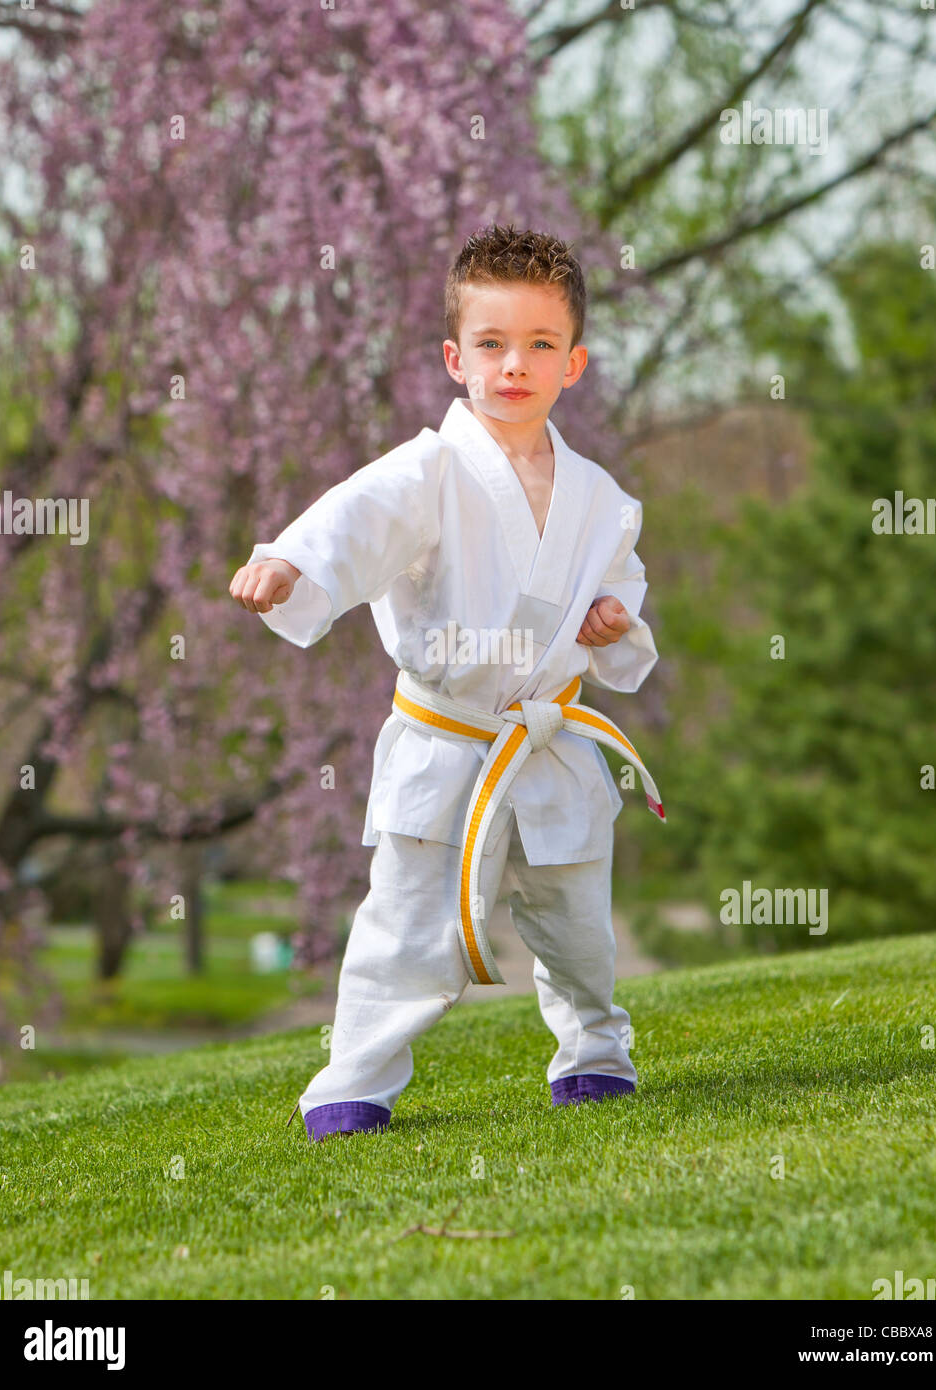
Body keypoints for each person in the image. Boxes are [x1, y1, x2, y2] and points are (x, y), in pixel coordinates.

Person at [229, 223, 664, 1143]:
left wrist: (613, 623)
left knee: (578, 927)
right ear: (453, 357)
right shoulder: (426, 469)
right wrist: (289, 559)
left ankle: (594, 1055)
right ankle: (352, 1086)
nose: (515, 364)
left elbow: (621, 590)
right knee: (404, 925)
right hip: (448, 738)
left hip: (546, 738)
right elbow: (354, 520)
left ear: (573, 364)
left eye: (540, 345)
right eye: (492, 344)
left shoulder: (601, 498)